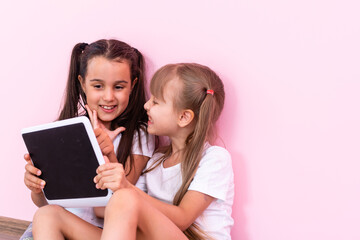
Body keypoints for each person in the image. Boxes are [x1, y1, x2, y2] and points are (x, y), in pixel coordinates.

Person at [31, 63, 234, 240]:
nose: (146, 105)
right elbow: (105, 211)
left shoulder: (215, 158)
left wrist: (126, 186)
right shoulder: (157, 160)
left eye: (155, 101)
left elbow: (182, 219)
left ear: (184, 117)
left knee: (126, 197)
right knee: (48, 215)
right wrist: (106, 157)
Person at [22, 39, 155, 232]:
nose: (108, 97)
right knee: (43, 218)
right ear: (82, 84)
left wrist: (107, 153)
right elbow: (45, 203)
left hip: (99, 232)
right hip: (55, 224)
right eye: (98, 86)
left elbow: (121, 193)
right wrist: (36, 187)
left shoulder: (139, 134)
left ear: (132, 86)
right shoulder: (66, 131)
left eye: (118, 87)